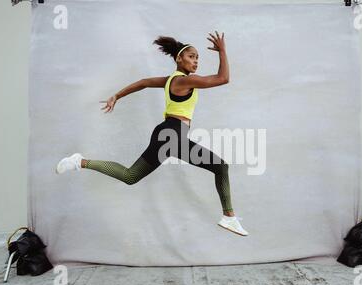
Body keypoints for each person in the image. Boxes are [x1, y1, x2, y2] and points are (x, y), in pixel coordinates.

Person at [56, 31, 248, 236]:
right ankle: (229, 217)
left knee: (131, 176)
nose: (196, 61)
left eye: (198, 58)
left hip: (168, 135)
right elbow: (223, 78)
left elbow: (144, 82)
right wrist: (223, 51)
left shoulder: (170, 80)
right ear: (178, 58)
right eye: (192, 56)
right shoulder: (183, 81)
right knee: (220, 166)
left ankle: (80, 162)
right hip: (172, 135)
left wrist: (117, 96)